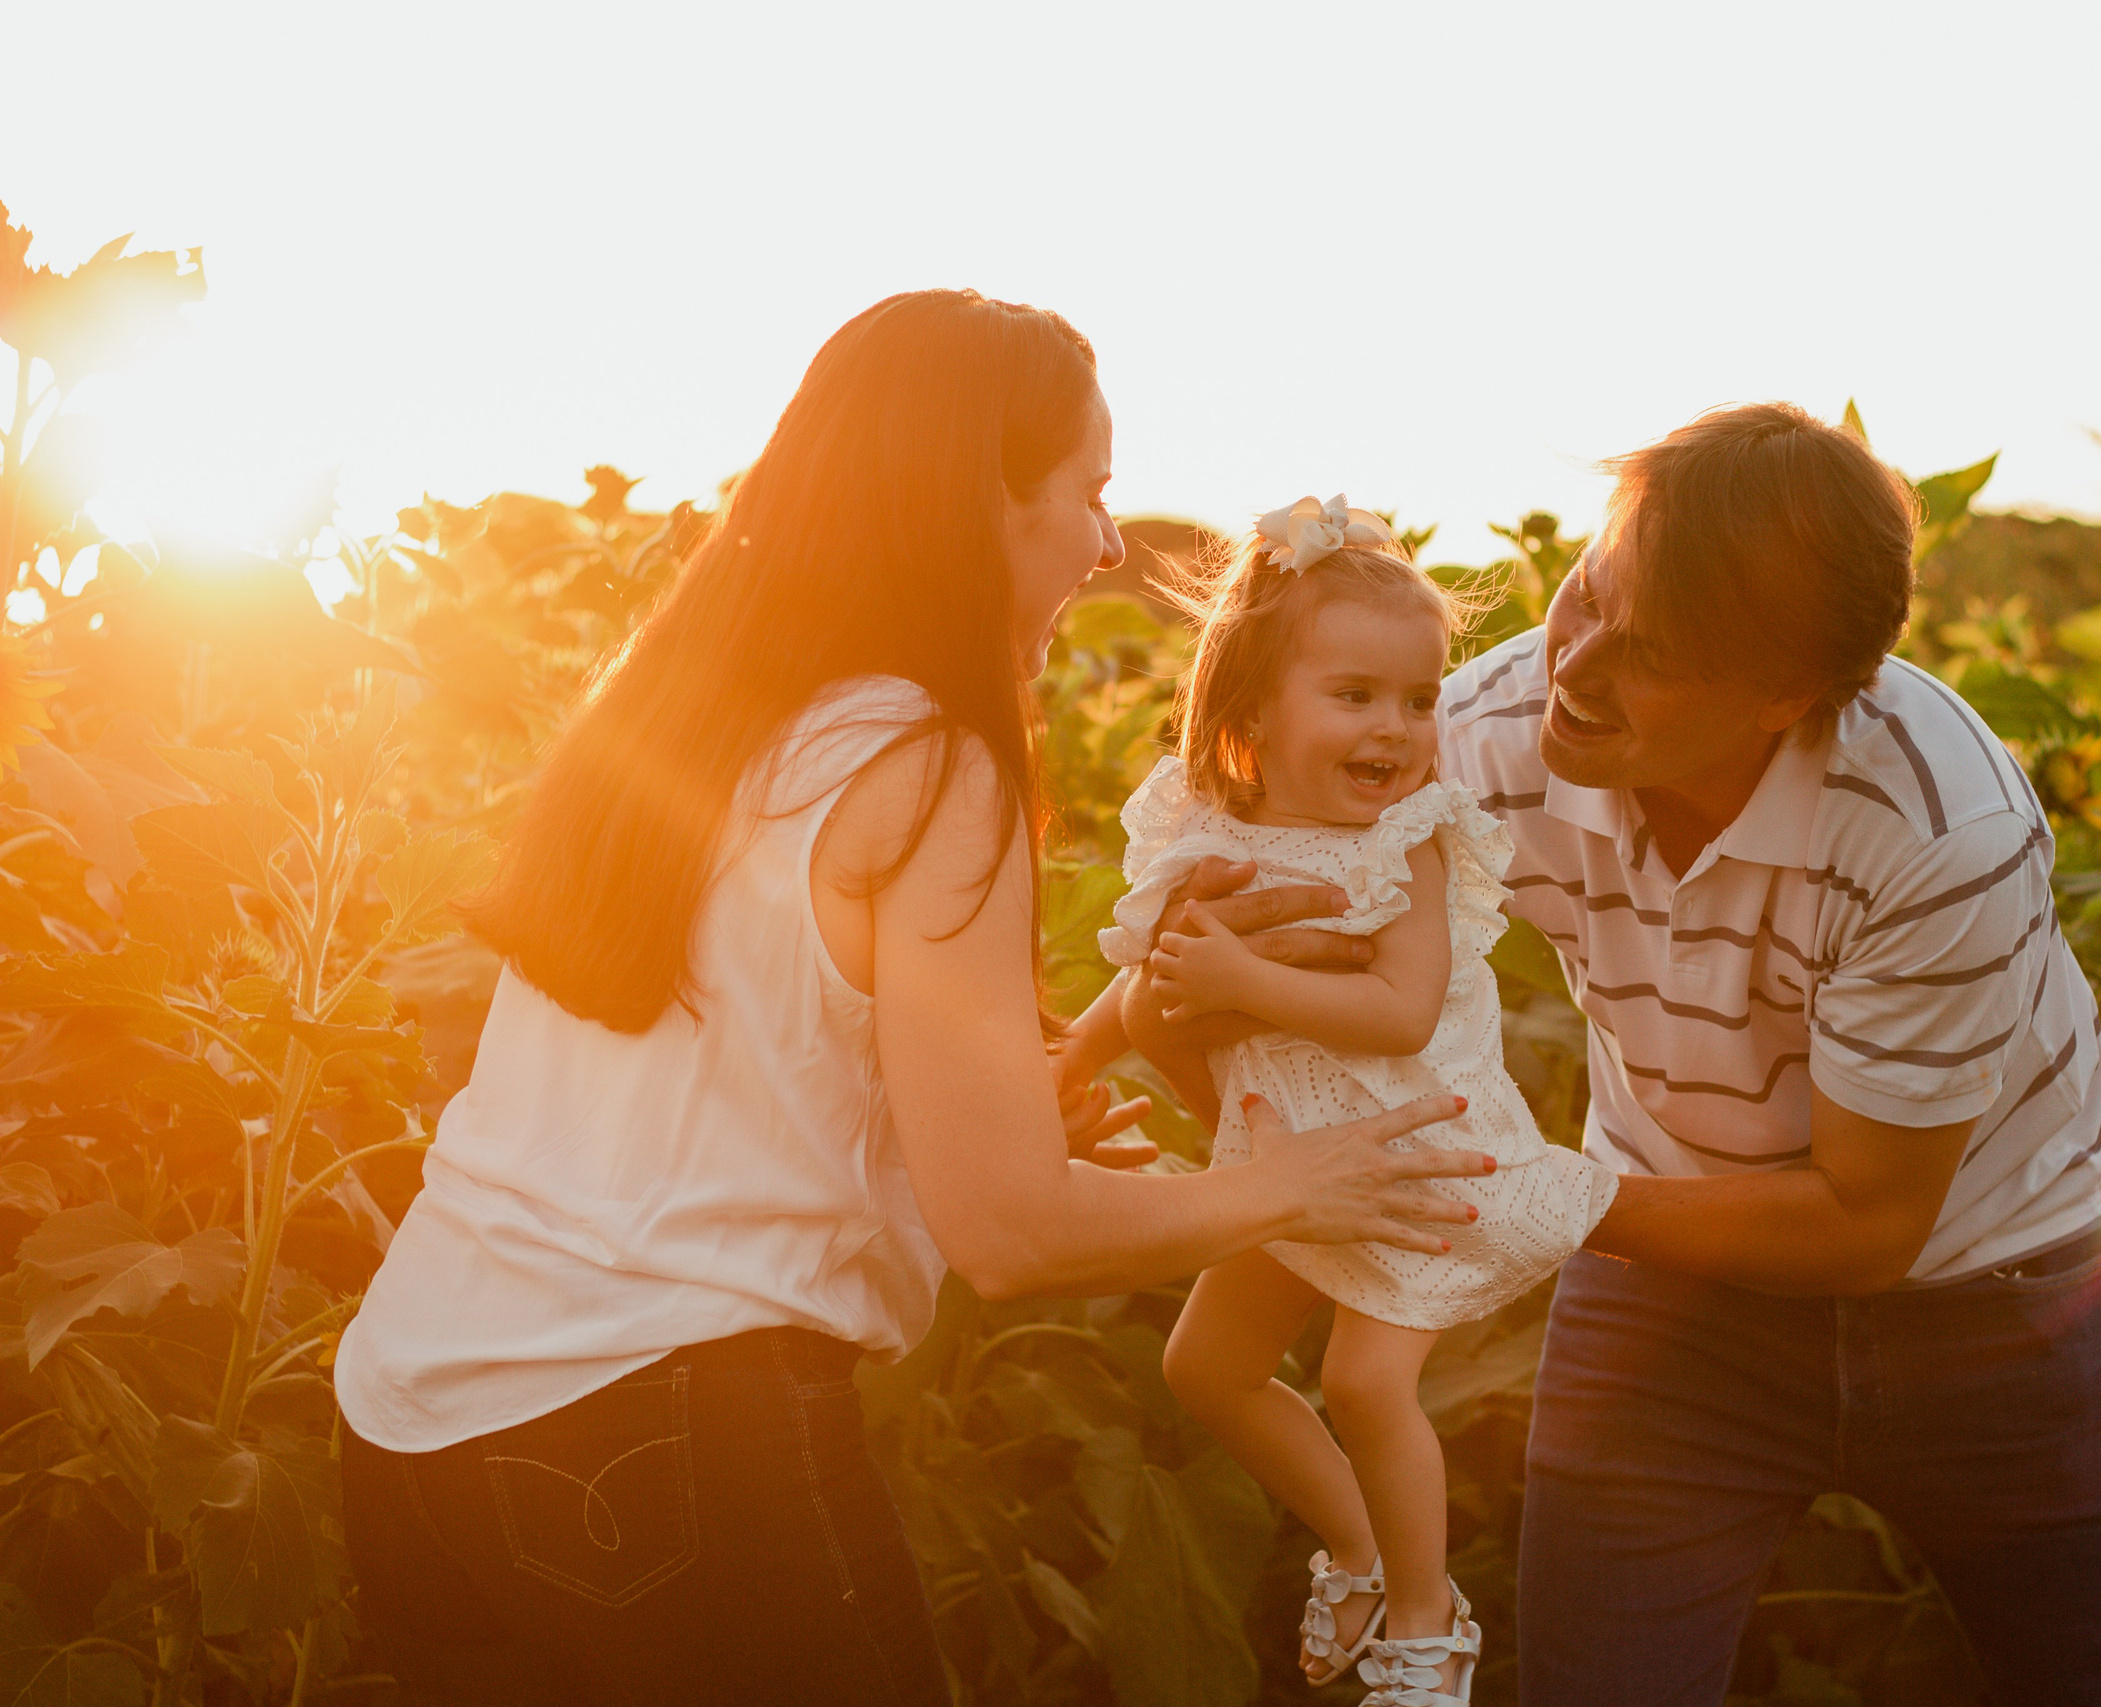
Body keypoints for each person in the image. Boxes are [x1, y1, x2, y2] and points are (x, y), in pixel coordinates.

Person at [331, 291, 1495, 1707]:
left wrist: (1034, 1096)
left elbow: (735, 1074)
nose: (1108, 543)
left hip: (414, 1424)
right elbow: (1012, 1233)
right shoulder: (931, 764)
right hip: (666, 1440)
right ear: (978, 503)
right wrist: (1303, 1181)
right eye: (1089, 490)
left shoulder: (689, 713)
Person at [1123, 405, 2101, 1706]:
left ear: (1787, 694)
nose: (1575, 663)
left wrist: (1533, 1195)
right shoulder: (1479, 734)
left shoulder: (1933, 824)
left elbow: (1869, 1222)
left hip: (2004, 1303)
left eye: (1651, 653)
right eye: (1589, 589)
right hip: (1674, 1298)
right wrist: (1184, 1019)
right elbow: (1259, 933)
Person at [1060, 498, 1615, 1707]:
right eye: (1355, 696)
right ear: (1252, 709)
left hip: (1418, 1159)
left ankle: (1427, 1626)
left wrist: (1245, 979)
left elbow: (1403, 1012)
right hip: (1291, 1165)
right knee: (1203, 1368)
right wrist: (1075, 1061)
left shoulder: (1404, 842)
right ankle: (1356, 1546)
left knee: (1367, 1383)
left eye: (1419, 702)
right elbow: (1149, 976)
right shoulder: (1209, 830)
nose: (1399, 730)